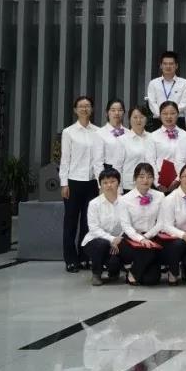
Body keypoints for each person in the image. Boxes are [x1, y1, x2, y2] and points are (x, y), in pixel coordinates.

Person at [61, 96, 103, 272]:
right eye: (81, 106)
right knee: (71, 222)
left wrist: (101, 185)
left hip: (92, 182)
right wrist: (64, 183)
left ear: (92, 109)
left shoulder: (98, 132)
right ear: (75, 110)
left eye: (87, 106)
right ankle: (70, 259)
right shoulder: (69, 132)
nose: (84, 109)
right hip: (73, 181)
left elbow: (99, 160)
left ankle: (84, 256)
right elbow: (65, 159)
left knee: (88, 222)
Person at [117, 163, 166, 285]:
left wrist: (147, 237)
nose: (145, 180)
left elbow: (161, 222)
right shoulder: (124, 199)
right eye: (141, 176)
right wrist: (141, 239)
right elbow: (126, 226)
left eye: (149, 177)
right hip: (131, 238)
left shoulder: (160, 196)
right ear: (135, 178)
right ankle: (134, 270)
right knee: (147, 251)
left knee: (151, 280)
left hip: (151, 237)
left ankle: (133, 270)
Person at [81, 168, 126, 286]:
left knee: (116, 259)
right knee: (101, 244)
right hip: (96, 241)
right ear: (100, 185)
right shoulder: (94, 204)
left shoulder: (126, 202)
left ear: (118, 183)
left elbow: (128, 225)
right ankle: (96, 273)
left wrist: (119, 239)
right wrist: (112, 239)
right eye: (105, 182)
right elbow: (94, 229)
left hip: (118, 240)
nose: (109, 185)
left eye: (112, 181)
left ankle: (114, 270)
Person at [113, 106, 156, 193]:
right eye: (135, 117)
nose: (138, 120)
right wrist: (119, 190)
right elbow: (117, 167)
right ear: (129, 119)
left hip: (149, 186)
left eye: (142, 117)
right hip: (129, 187)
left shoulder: (152, 137)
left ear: (146, 119)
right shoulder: (122, 140)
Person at [146, 51, 186, 130]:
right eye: (165, 64)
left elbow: (184, 102)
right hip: (158, 120)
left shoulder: (185, 83)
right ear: (161, 66)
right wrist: (162, 115)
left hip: (178, 120)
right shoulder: (153, 83)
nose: (168, 66)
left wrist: (172, 114)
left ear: (176, 66)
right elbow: (152, 102)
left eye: (171, 64)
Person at [149, 100, 183, 193]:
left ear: (178, 114)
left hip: (181, 182)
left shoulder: (185, 135)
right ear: (160, 115)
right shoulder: (153, 136)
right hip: (159, 182)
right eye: (165, 113)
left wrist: (178, 180)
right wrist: (157, 183)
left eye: (172, 113)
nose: (169, 116)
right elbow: (150, 160)